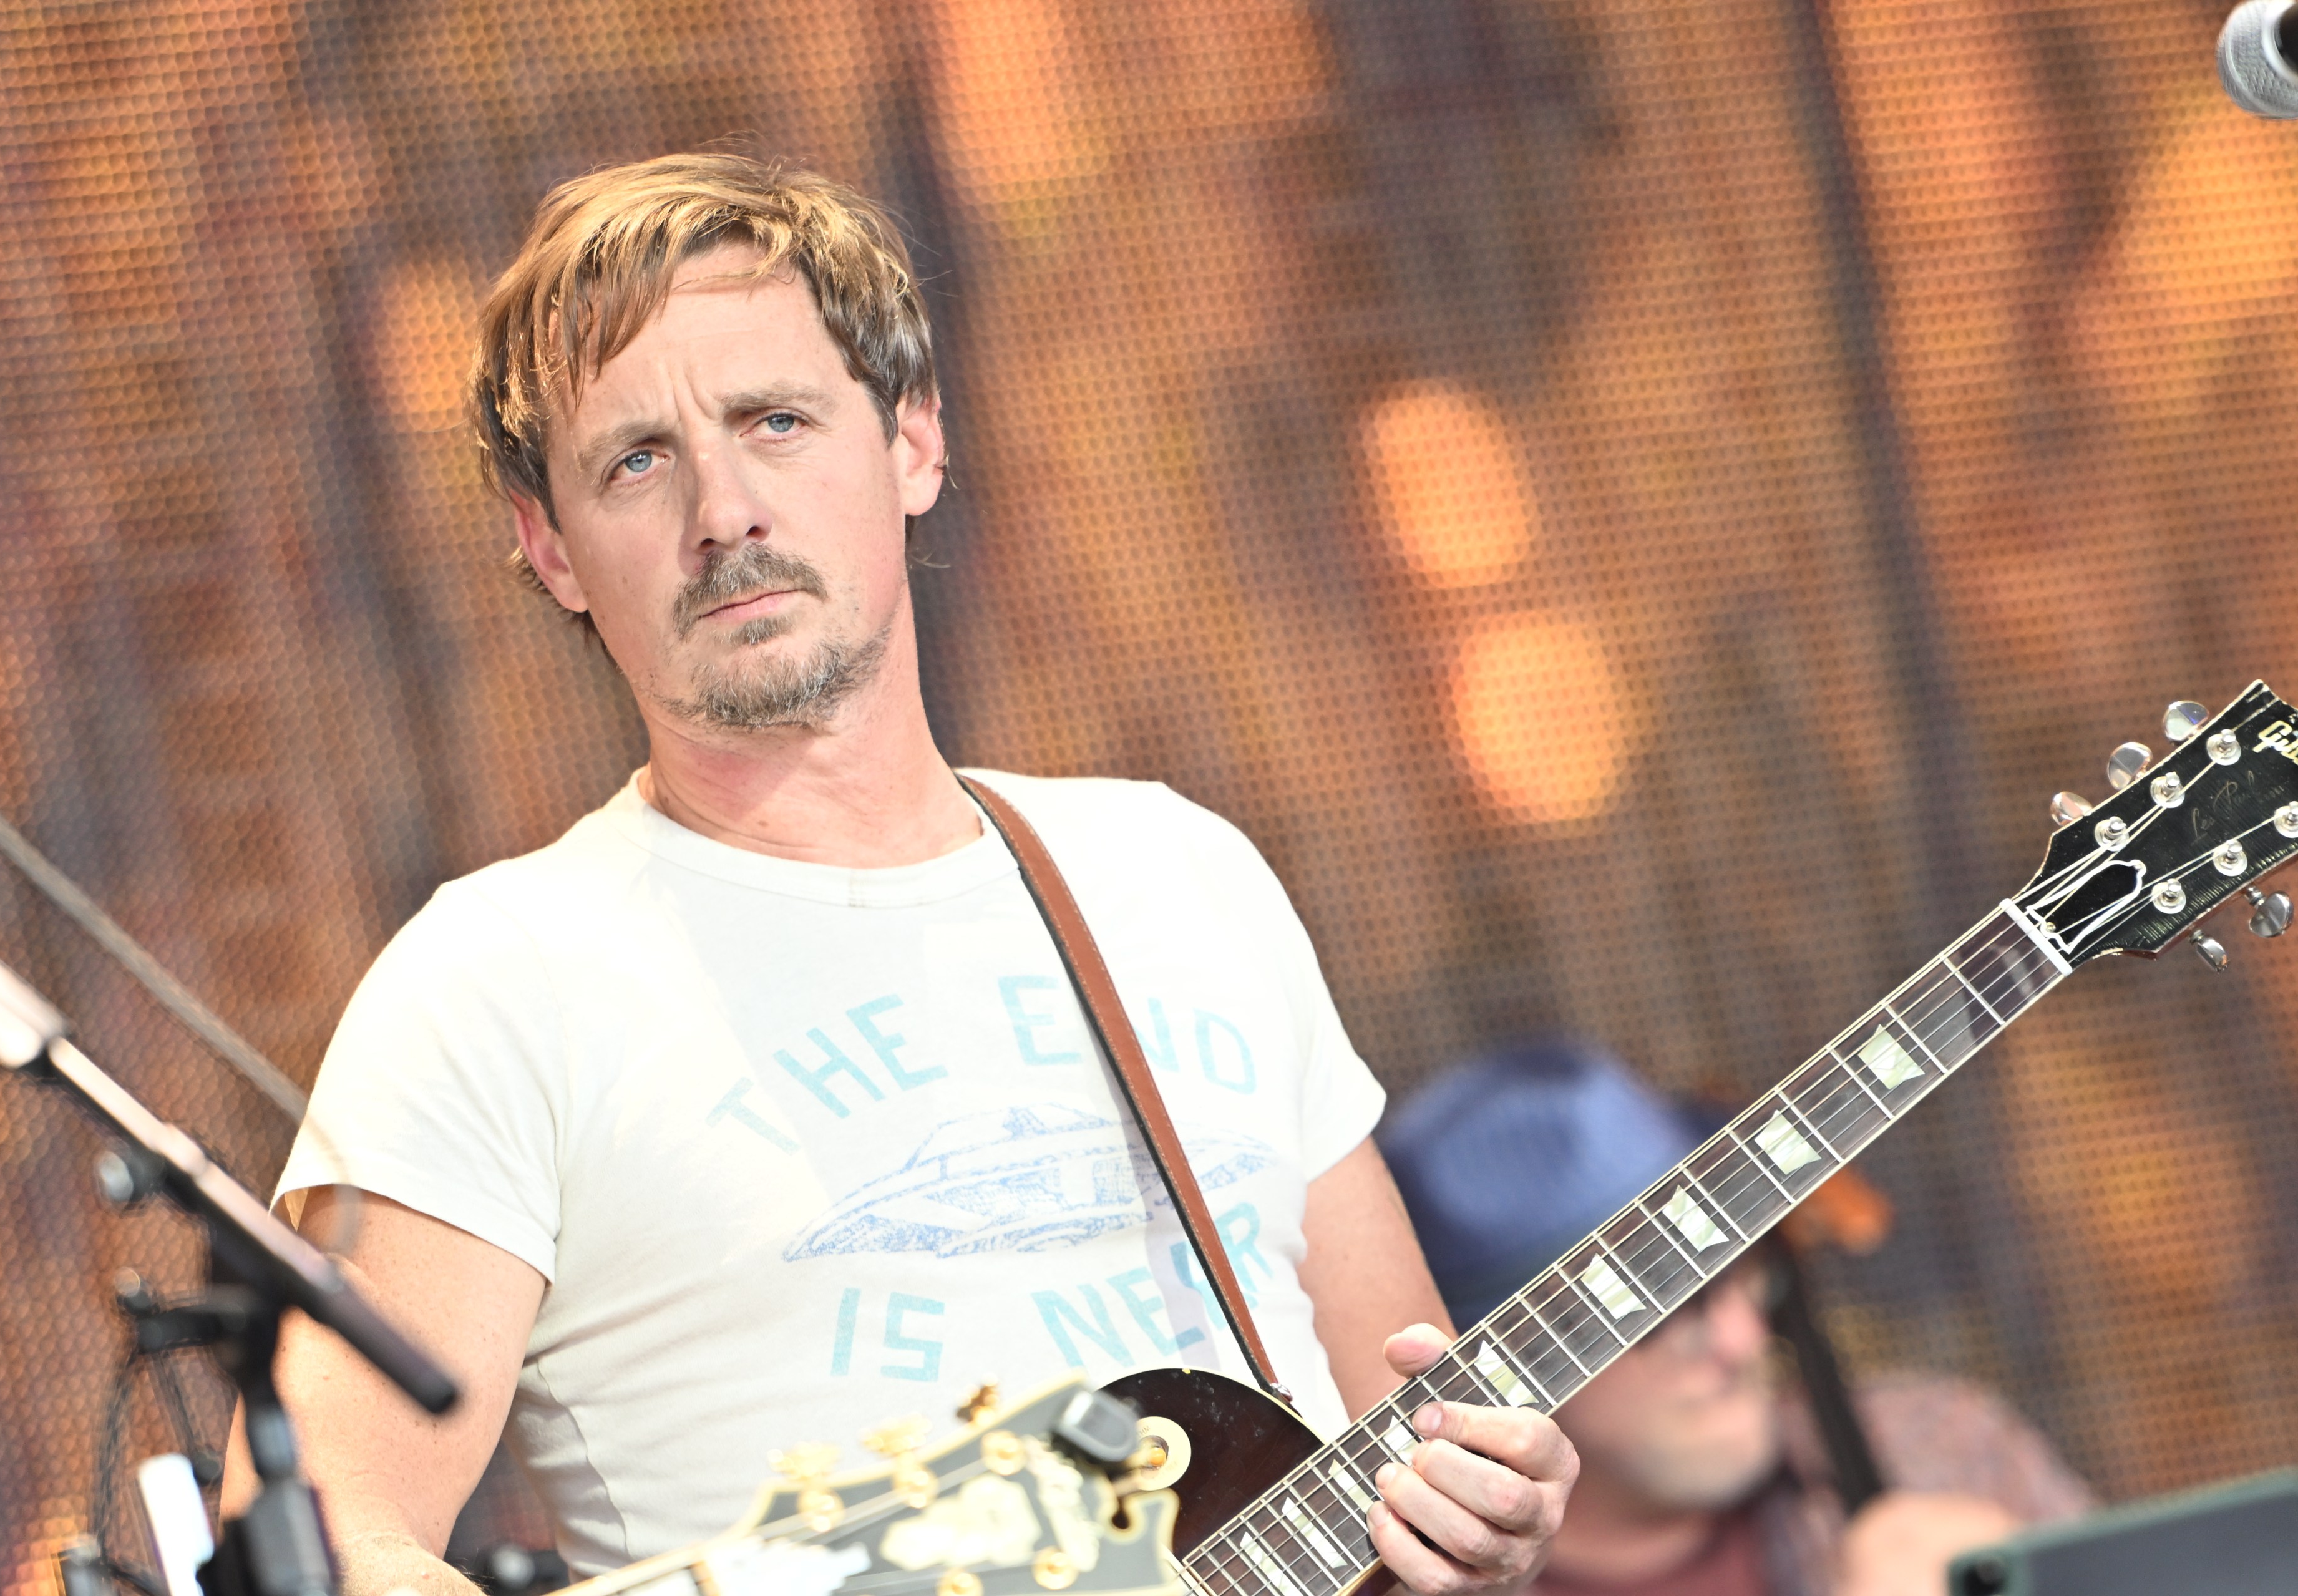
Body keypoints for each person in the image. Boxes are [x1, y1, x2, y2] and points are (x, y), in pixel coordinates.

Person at [222, 153, 1577, 1596]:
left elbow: (1400, 1441)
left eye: (776, 422)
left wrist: (1483, 1517)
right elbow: (311, 1553)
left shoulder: (1179, 873)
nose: (723, 509)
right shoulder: (496, 983)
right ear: (549, 547)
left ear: (914, 441)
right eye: (635, 460)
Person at [1376, 1041, 2092, 1596]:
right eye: (1664, 1310)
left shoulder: (1943, 1448)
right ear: (1510, 1364)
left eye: (1746, 1274)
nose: (1744, 1338)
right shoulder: (1406, 1583)